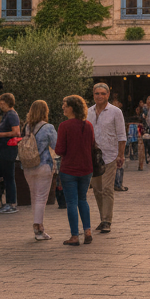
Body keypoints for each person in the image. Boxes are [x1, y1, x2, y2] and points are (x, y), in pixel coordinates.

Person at [54, 94, 95, 246]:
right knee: (83, 200)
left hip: (69, 169)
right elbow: (91, 145)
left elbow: (60, 150)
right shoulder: (88, 125)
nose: (63, 107)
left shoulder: (64, 126)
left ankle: (74, 236)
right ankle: (88, 231)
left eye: (65, 105)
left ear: (72, 107)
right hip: (86, 168)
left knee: (71, 202)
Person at [88, 83, 126, 234]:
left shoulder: (115, 112)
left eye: (103, 93)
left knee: (107, 188)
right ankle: (102, 217)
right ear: (93, 94)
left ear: (108, 95)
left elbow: (122, 135)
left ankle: (107, 220)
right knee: (97, 189)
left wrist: (121, 154)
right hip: (93, 155)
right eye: (97, 93)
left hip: (110, 154)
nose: (99, 96)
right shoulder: (89, 112)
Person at [21, 101, 57, 241]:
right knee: (41, 198)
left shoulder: (27, 127)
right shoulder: (48, 127)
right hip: (44, 166)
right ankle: (39, 229)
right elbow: (56, 145)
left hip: (28, 166)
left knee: (34, 196)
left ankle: (37, 227)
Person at [0, 93, 22, 214]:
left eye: (2, 103)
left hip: (8, 149)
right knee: (4, 175)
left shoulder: (11, 115)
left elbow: (16, 132)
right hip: (4, 149)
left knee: (9, 176)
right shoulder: (6, 115)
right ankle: (6, 201)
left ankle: (11, 203)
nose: (0, 105)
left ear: (8, 103)